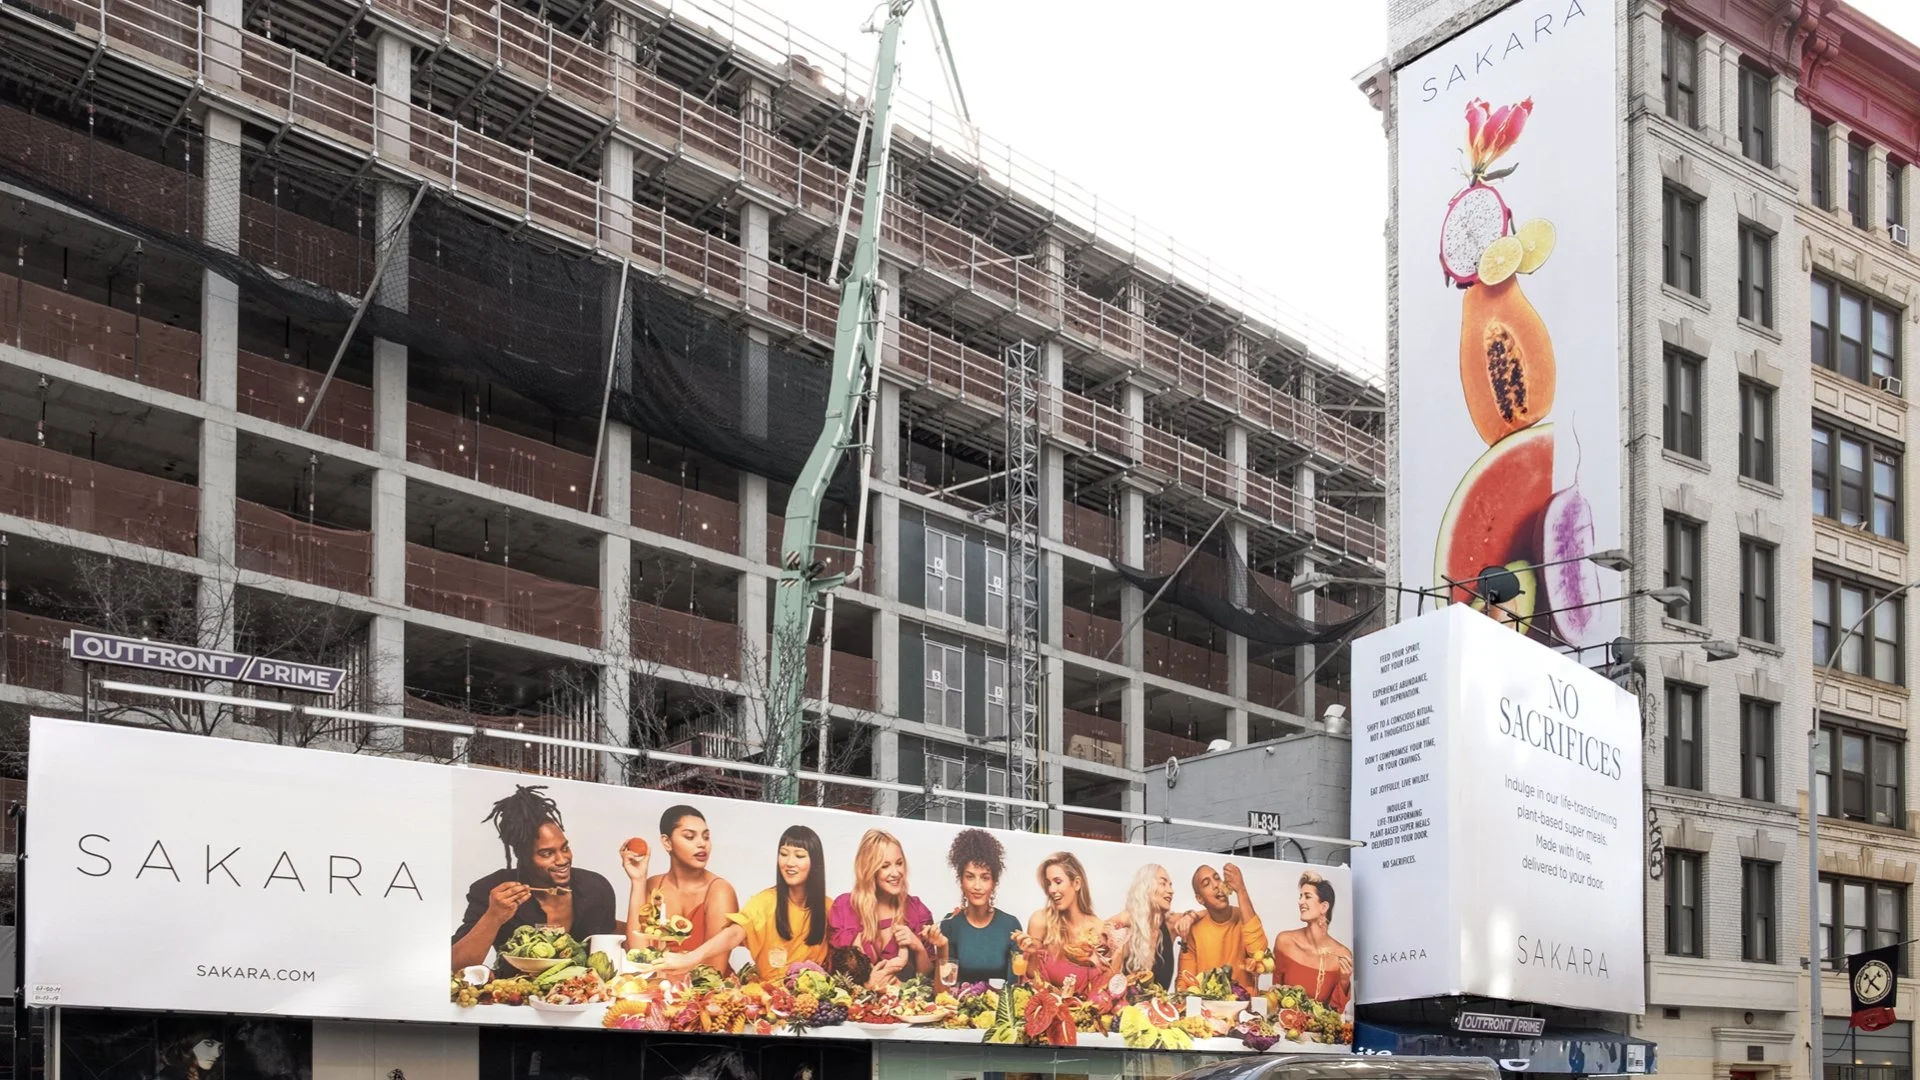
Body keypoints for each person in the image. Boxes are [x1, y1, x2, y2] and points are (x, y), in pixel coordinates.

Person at [452, 785, 619, 972]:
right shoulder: (492, 890)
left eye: (564, 848)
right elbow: (456, 965)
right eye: (547, 854)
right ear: (522, 855)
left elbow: (610, 950)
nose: (563, 860)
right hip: (512, 995)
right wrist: (494, 916)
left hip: (582, 995)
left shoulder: (595, 888)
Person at [644, 824, 829, 981]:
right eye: (784, 854)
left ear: (815, 862)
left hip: (814, 1003)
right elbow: (734, 933)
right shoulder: (765, 902)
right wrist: (690, 959)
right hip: (768, 999)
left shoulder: (829, 908)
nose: (789, 862)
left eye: (799, 855)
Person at [625, 804, 739, 972]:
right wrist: (638, 880)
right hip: (657, 988)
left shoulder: (720, 891)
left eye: (706, 837)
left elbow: (714, 970)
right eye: (689, 837)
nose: (702, 844)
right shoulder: (653, 886)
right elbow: (639, 956)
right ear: (667, 842)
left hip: (707, 993)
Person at [828, 828, 934, 988]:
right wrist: (869, 985)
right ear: (870, 869)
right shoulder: (844, 907)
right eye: (885, 866)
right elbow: (835, 974)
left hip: (904, 1009)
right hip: (856, 1008)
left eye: (899, 863)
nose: (896, 872)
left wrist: (917, 947)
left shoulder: (917, 910)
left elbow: (928, 978)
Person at [937, 828, 1023, 985]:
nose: (977, 886)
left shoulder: (1010, 924)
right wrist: (941, 947)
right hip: (959, 1006)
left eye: (985, 878)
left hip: (1001, 1007)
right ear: (961, 881)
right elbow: (945, 987)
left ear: (994, 883)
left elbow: (1015, 984)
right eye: (970, 877)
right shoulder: (950, 924)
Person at [1016, 852, 1109, 992]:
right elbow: (1029, 982)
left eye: (1058, 882)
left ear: (1077, 883)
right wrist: (1033, 954)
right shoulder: (1040, 921)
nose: (1052, 890)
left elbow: (1104, 986)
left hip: (1087, 1011)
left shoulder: (1098, 928)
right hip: (1046, 1008)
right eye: (1048, 884)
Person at [1177, 862, 1266, 993]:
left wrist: (1241, 890)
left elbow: (1259, 951)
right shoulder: (1194, 930)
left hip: (1243, 1006)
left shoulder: (1244, 917)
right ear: (1200, 899)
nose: (1216, 885)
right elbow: (1184, 981)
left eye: (1217, 878)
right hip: (1207, 1007)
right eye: (1206, 883)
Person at [1273, 871, 1353, 1011]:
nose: (1300, 902)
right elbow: (1275, 993)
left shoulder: (1342, 954)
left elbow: (1334, 1010)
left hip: (1318, 1030)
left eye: (1307, 897)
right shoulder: (1285, 942)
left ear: (1324, 907)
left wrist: (1345, 981)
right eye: (1300, 896)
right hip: (1285, 1027)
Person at [1105, 863, 1192, 989]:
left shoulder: (1170, 924)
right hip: (1124, 1007)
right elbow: (1092, 937)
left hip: (1159, 1006)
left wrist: (1190, 917)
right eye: (1163, 883)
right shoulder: (1128, 919)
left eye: (1170, 885)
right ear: (1146, 887)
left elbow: (1205, 914)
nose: (1171, 891)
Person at [155, 1029, 222, 1080]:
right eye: (209, 1044)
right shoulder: (167, 1076)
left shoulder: (214, 1075)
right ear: (190, 1046)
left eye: (220, 1048)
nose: (217, 1054)